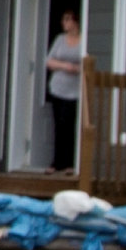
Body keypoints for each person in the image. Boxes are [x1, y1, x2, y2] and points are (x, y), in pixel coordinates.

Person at [43, 11, 83, 172]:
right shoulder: (60, 40)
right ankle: (56, 162)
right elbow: (49, 61)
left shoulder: (83, 40)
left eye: (67, 19)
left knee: (69, 125)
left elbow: (87, 63)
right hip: (58, 88)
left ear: (75, 22)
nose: (64, 23)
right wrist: (65, 66)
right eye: (63, 19)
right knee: (59, 125)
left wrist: (77, 68)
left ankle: (69, 163)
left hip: (74, 91)